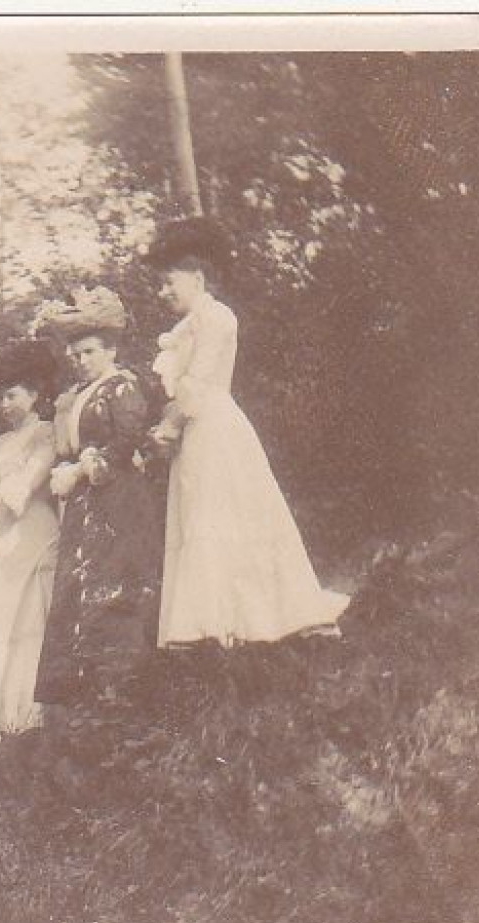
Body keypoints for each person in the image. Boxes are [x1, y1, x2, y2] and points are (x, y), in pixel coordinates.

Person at [144, 217, 349, 647]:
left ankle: (246, 620)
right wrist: (167, 425)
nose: (163, 293)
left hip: (215, 427)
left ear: (197, 278)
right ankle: (212, 624)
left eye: (169, 284)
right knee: (202, 516)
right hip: (193, 433)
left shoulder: (218, 318)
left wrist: (169, 426)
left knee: (224, 517)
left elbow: (198, 384)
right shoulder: (181, 331)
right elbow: (175, 387)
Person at [31, 286, 165, 727]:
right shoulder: (83, 392)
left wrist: (88, 469)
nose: (82, 360)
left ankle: (123, 696)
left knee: (115, 583)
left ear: (110, 348)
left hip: (119, 501)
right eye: (77, 353)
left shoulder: (123, 386)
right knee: (80, 588)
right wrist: (67, 470)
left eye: (89, 351)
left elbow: (128, 439)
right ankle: (85, 700)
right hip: (88, 503)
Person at [0, 340, 62, 737]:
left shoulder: (45, 433)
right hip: (2, 534)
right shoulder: (0, 444)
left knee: (29, 612)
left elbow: (26, 485)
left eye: (12, 395)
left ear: (34, 395)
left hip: (32, 528)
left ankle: (24, 714)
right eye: (0, 397)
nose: (4, 404)